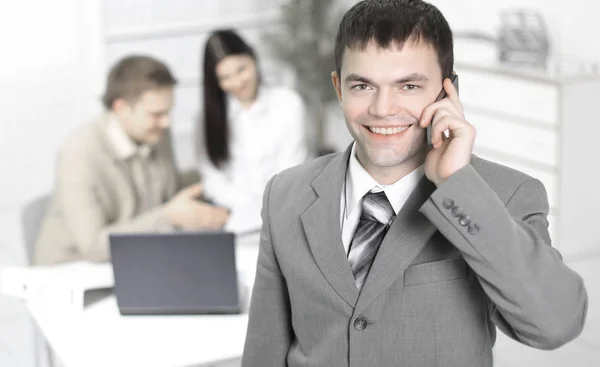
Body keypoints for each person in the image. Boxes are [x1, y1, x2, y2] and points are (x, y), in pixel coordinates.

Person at [242, 1, 588, 365]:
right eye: (362, 85)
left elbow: (557, 323)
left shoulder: (505, 195)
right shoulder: (285, 194)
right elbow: (264, 349)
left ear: (447, 92)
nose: (382, 109)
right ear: (339, 88)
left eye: (408, 86)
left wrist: (456, 183)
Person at [34, 55, 230, 265]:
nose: (167, 122)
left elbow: (168, 194)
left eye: (168, 111)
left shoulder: (157, 132)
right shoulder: (78, 153)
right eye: (156, 114)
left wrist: (217, 184)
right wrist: (170, 217)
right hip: (74, 271)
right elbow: (93, 246)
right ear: (120, 108)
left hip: (137, 259)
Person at [197, 29, 309, 232]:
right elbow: (213, 180)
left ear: (253, 59)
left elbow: (292, 171)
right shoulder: (207, 120)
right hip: (234, 219)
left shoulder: (288, 103)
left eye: (241, 70)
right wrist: (246, 207)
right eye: (225, 78)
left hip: (286, 213)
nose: (237, 83)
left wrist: (265, 208)